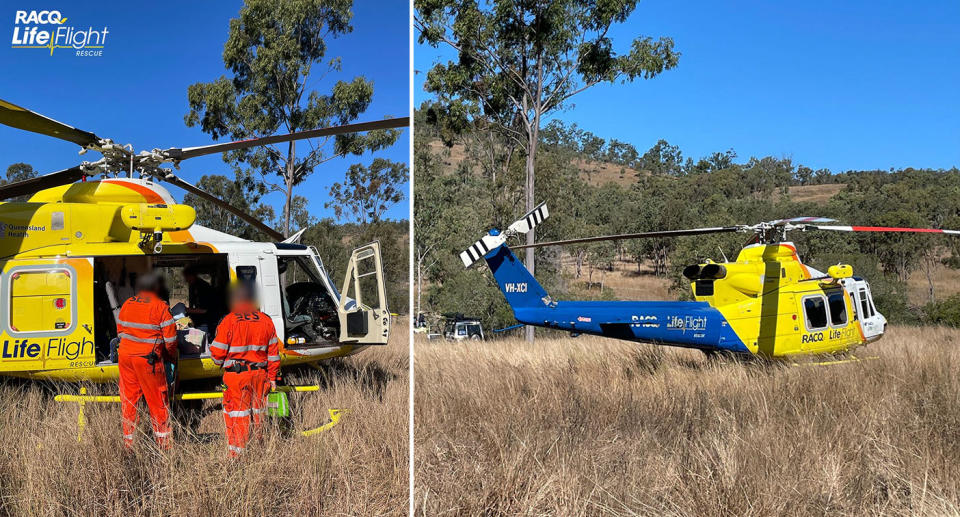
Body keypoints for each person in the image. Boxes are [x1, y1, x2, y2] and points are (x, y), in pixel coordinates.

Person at [210, 283, 281, 457]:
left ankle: (237, 456)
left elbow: (217, 355)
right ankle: (259, 448)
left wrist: (219, 360)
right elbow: (273, 355)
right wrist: (272, 378)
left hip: (237, 376)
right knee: (258, 413)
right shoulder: (266, 320)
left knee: (238, 414)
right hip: (260, 375)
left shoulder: (229, 320)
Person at [116, 272, 178, 449]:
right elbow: (171, 340)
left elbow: (120, 331)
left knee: (129, 401)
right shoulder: (160, 307)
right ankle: (164, 446)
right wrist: (169, 356)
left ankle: (129, 444)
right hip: (148, 360)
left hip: (126, 357)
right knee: (158, 401)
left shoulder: (128, 303)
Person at [182, 265, 218, 330]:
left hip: (206, 322)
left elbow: (204, 310)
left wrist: (186, 310)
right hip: (200, 321)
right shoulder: (194, 286)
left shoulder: (203, 287)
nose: (186, 280)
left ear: (191, 276)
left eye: (186, 277)